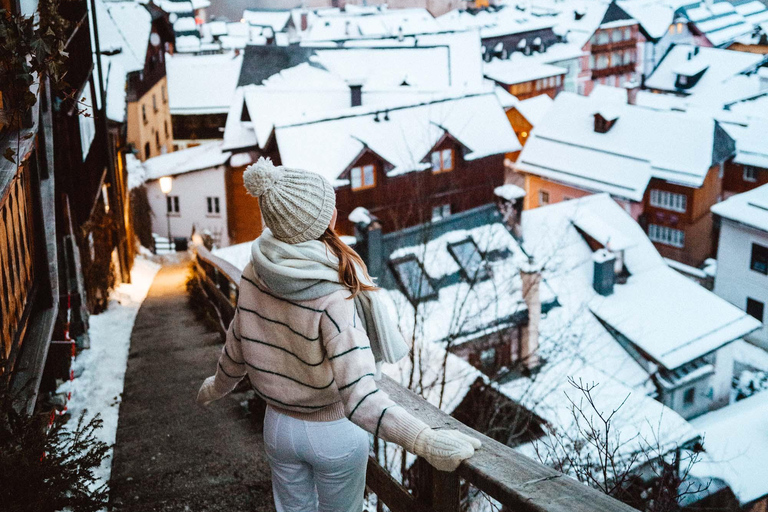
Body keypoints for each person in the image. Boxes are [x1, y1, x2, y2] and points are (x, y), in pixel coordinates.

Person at [196, 157, 480, 512]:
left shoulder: (255, 271)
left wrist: (215, 386)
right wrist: (424, 440)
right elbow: (361, 399)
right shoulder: (333, 296)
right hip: (333, 433)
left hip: (278, 426)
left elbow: (237, 346)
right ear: (325, 221)